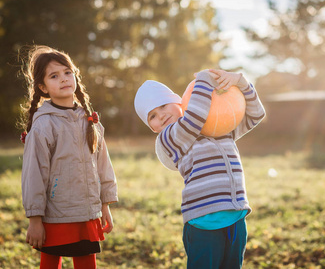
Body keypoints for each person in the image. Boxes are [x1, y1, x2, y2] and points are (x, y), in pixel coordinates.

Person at [134, 69, 265, 268]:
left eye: (163, 106)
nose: (160, 116)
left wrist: (241, 81)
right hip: (203, 222)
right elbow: (194, 119)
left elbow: (256, 114)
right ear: (152, 127)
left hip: (235, 217)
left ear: (179, 102)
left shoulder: (219, 127)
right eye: (152, 116)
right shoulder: (169, 138)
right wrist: (204, 79)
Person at [20, 45, 118, 269]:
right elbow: (33, 174)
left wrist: (105, 206)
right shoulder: (44, 125)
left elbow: (103, 166)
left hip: (86, 213)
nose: (63, 79)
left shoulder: (90, 121)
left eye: (67, 72)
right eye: (54, 76)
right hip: (55, 215)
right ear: (43, 87)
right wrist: (35, 219)